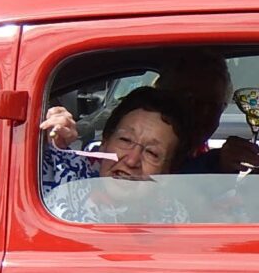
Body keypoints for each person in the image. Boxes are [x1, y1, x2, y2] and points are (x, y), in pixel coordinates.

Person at [39, 86, 191, 222]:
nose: (132, 161)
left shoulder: (172, 218)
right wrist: (43, 133)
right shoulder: (63, 174)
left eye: (152, 153)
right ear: (104, 143)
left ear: (167, 174)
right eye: (125, 140)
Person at [155, 50, 259, 174]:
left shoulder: (195, 149)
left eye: (213, 105)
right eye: (191, 100)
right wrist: (216, 162)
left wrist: (257, 176)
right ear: (165, 100)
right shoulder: (153, 143)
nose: (204, 112)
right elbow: (161, 179)